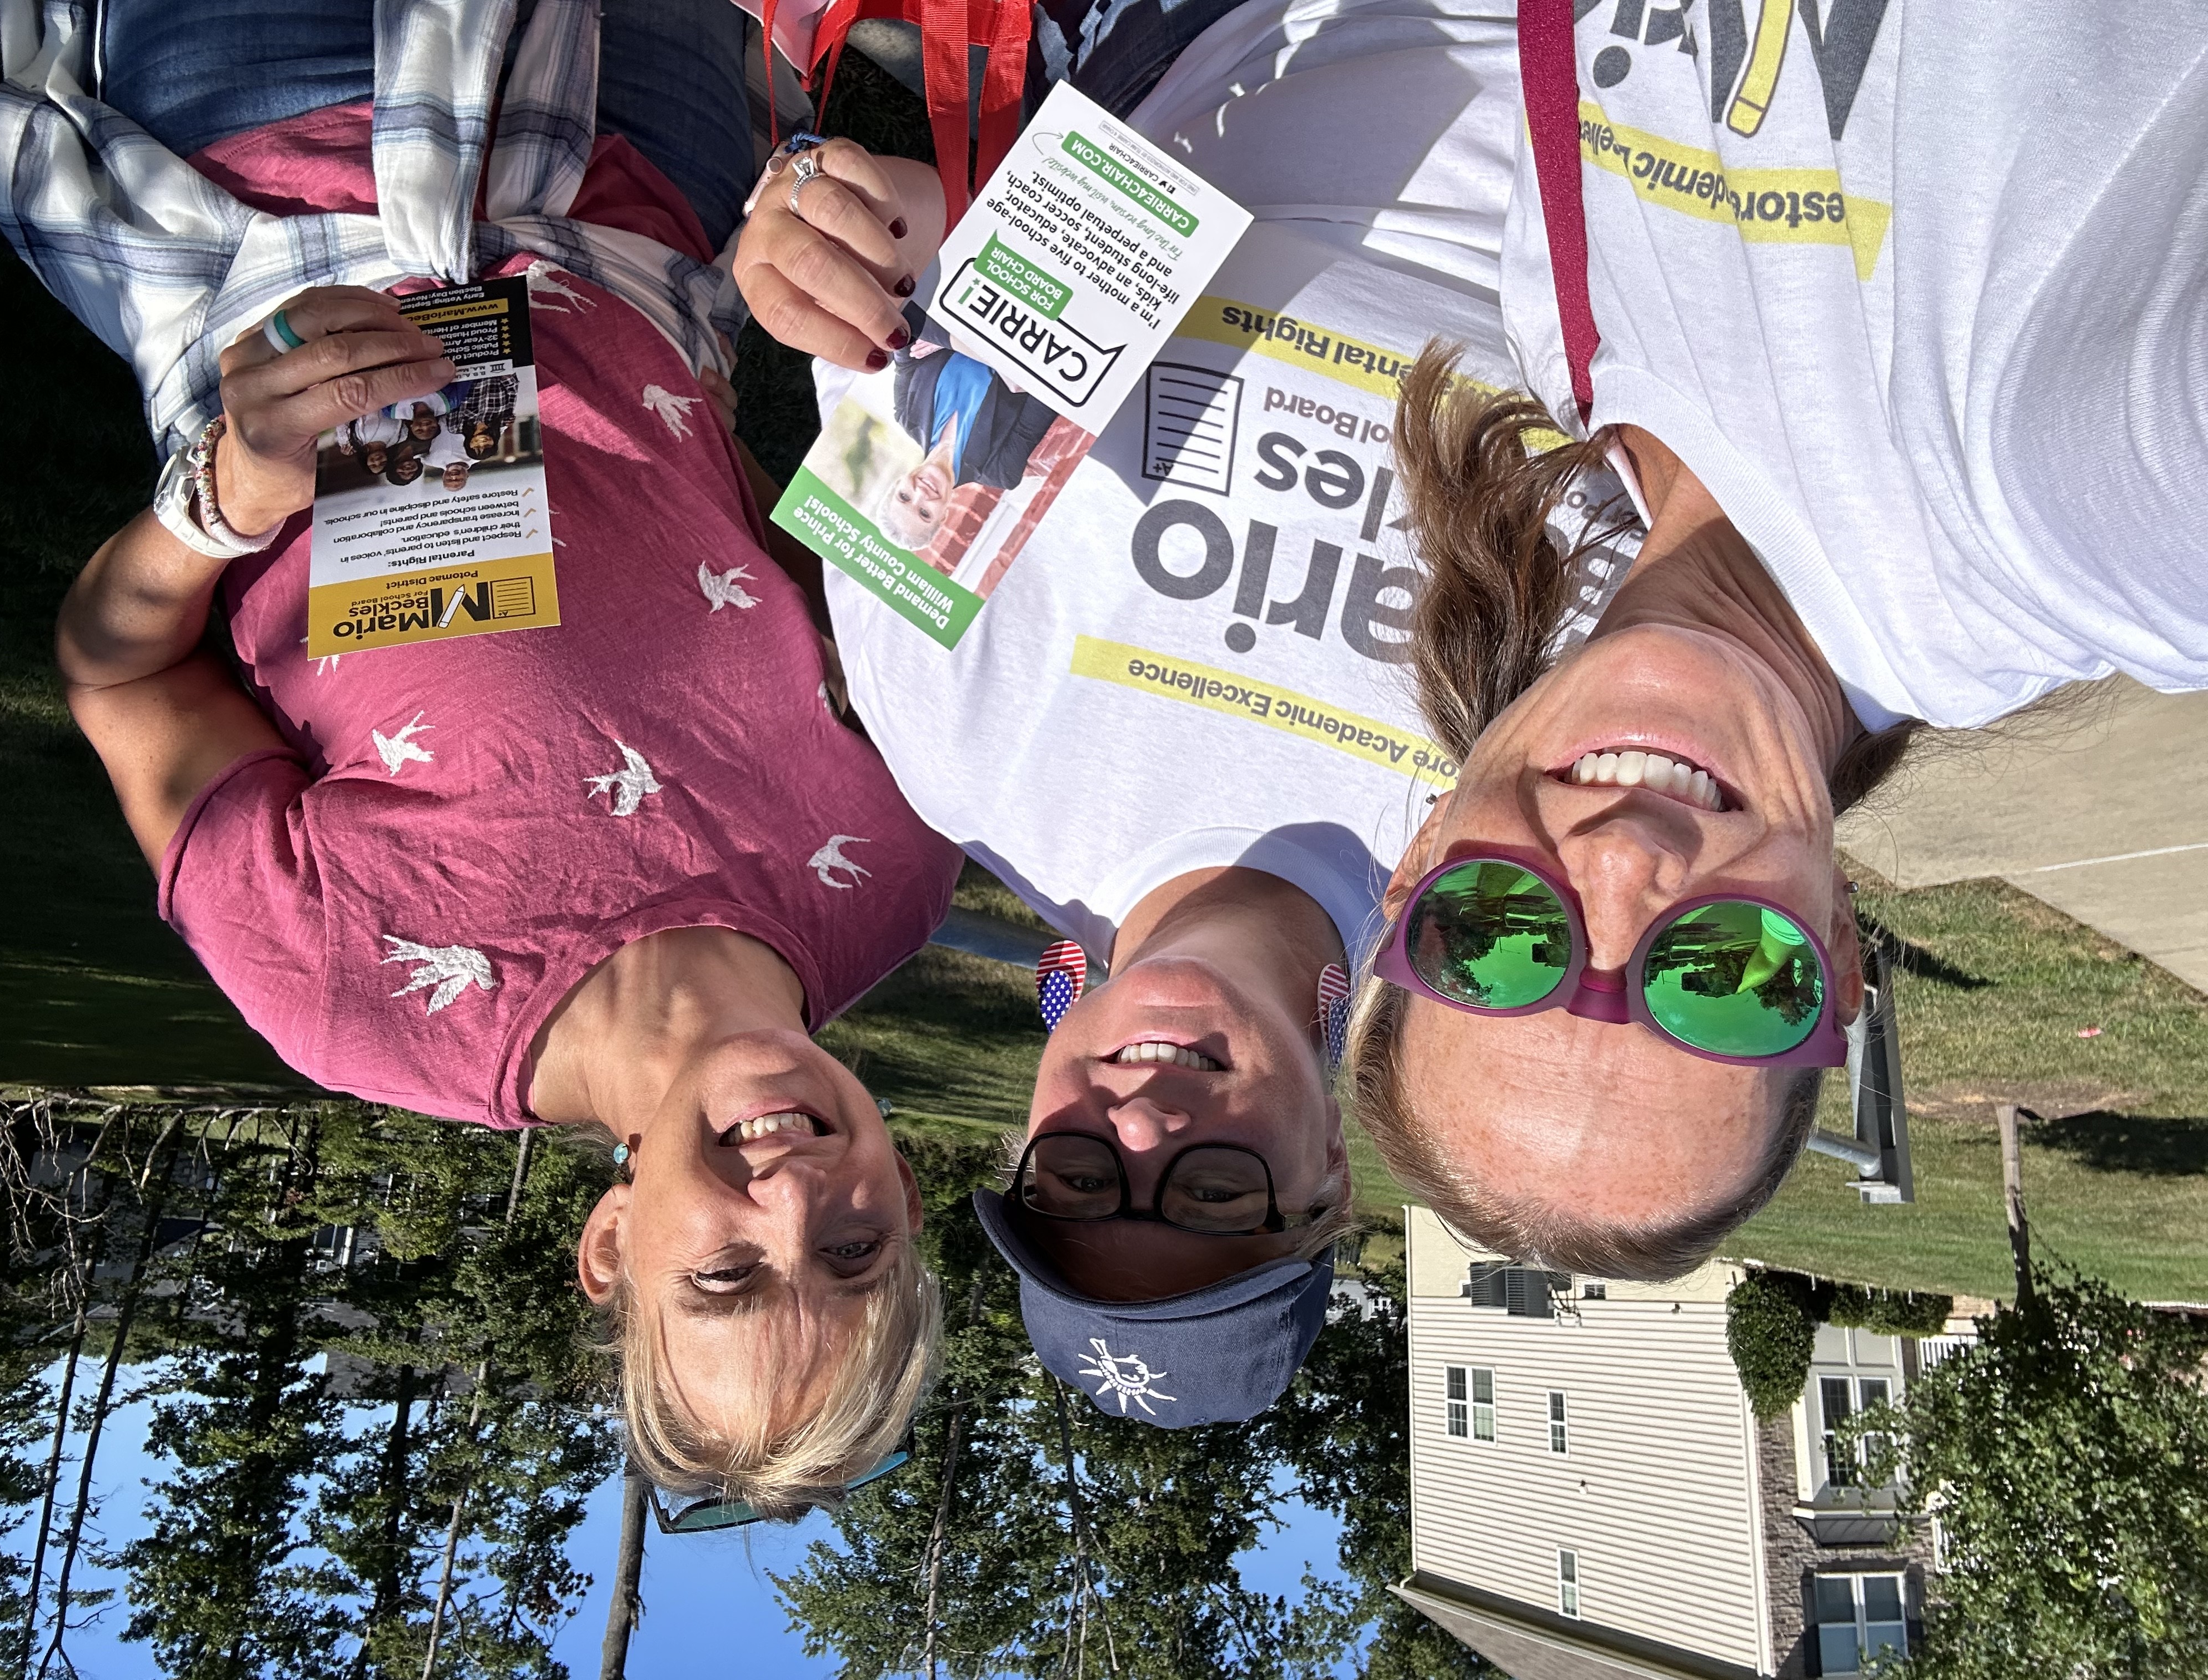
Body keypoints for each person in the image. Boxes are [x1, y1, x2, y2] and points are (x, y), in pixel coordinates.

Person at [0, 0, 963, 1510]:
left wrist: (229, 494)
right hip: (650, 154)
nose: (791, 1203)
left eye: (726, 1279)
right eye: (853, 1249)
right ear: (904, 1202)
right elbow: (817, 532)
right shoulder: (908, 864)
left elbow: (118, 675)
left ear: (611, 1250)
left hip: (284, 150)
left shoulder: (359, 1002)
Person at [738, 0, 1635, 1416]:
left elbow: (946, 271)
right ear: (1326, 1176)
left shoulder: (953, 747)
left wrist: (827, 235)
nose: (1145, 1122)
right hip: (1636, 83)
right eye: (1214, 1194)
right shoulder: (1532, 859)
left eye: (1081, 1174)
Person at [1346, 0, 2208, 1280]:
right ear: (1838, 956)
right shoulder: (2077, 514)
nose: (1625, 860)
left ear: (1421, 862)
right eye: (1723, 976)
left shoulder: (1570, 348)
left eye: (1498, 938)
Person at [878, 317, 1059, 550]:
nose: (920, 493)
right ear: (943, 516)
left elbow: (907, 326)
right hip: (1039, 330)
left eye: (904, 497)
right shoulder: (999, 470)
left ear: (898, 484)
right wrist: (950, 340)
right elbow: (1048, 391)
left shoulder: (907, 414)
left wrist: (954, 340)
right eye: (925, 513)